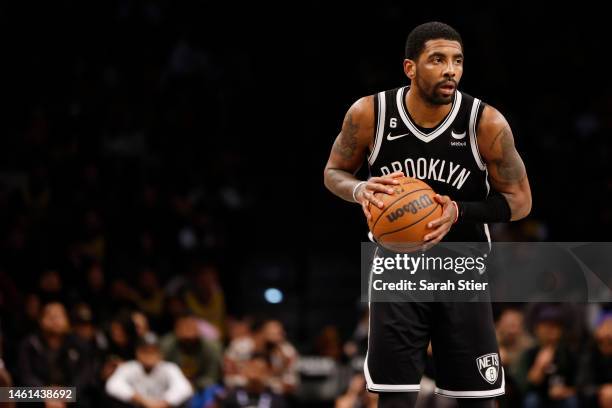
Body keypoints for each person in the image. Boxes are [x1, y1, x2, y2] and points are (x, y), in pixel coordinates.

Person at [323, 21, 532, 407]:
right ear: (411, 68)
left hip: (462, 268)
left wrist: (459, 211)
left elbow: (520, 202)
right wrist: (359, 189)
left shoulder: (484, 122)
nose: (450, 69)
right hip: (397, 268)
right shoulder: (371, 113)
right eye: (437, 60)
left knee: (478, 398)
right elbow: (332, 172)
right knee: (396, 398)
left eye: (457, 61)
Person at [105, 332, 193, 407]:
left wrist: (163, 403)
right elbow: (112, 385)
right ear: (137, 352)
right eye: (145, 351)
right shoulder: (129, 367)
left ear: (160, 353)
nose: (149, 356)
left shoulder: (169, 368)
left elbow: (185, 388)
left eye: (153, 351)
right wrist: (141, 400)